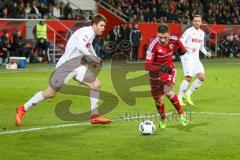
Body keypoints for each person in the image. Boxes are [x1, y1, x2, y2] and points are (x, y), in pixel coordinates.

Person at [16, 14, 112, 127]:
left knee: (95, 85)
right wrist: (93, 58)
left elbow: (88, 45)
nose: (103, 28)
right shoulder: (88, 32)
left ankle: (95, 116)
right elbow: (81, 47)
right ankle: (22, 108)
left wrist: (95, 58)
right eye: (101, 25)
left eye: (104, 26)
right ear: (94, 25)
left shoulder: (90, 33)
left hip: (76, 65)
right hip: (65, 66)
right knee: (50, 93)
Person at [145, 24, 188, 128]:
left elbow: (182, 49)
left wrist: (182, 53)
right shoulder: (153, 44)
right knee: (159, 101)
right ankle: (163, 118)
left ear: (169, 34)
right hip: (154, 74)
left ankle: (182, 114)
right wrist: (160, 68)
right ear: (157, 35)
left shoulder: (174, 38)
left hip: (168, 70)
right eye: (160, 37)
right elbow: (147, 66)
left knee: (168, 91)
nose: (163, 40)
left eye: (165, 37)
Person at [178, 15, 212, 106]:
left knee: (202, 77)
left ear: (201, 22)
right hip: (187, 57)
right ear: (193, 22)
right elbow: (180, 42)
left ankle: (187, 94)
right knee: (188, 77)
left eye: (199, 21)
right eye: (195, 21)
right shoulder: (189, 31)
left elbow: (201, 46)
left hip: (196, 58)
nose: (197, 22)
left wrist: (206, 53)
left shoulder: (202, 33)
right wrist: (189, 48)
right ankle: (179, 98)